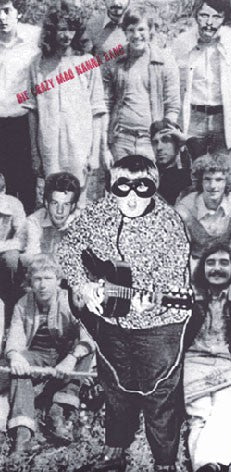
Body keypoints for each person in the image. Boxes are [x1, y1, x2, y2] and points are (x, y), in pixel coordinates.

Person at [56, 155, 192, 472]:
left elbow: (172, 284)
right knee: (114, 387)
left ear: (154, 187)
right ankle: (114, 455)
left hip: (158, 325)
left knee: (157, 395)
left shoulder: (170, 225)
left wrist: (149, 303)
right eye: (122, 187)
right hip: (109, 318)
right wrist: (84, 286)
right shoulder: (100, 211)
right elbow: (68, 248)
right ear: (111, 187)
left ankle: (164, 464)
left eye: (141, 188)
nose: (131, 198)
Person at [0, 254, 94, 453]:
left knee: (84, 350)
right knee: (19, 365)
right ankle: (23, 433)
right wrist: (15, 356)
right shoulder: (23, 303)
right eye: (37, 279)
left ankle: (58, 411)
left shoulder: (70, 300)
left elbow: (88, 336)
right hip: (38, 355)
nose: (42, 285)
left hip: (65, 354)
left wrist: (71, 359)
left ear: (58, 281)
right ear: (30, 282)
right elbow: (15, 336)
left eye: (48, 279)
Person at [25, 1, 107, 206]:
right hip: (50, 148)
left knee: (79, 203)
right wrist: (35, 155)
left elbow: (98, 111)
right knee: (54, 202)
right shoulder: (37, 65)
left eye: (71, 29)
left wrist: (94, 154)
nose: (67, 35)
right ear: (51, 30)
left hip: (80, 148)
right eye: (61, 29)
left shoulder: (88, 63)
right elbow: (33, 112)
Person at [184, 243, 231, 472]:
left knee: (228, 410)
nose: (217, 268)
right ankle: (220, 464)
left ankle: (206, 465)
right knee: (200, 412)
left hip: (226, 362)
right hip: (193, 360)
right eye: (211, 263)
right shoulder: (189, 294)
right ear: (202, 268)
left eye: (224, 263)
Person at [172, 0, 231, 154]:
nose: (209, 23)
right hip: (193, 118)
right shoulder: (182, 42)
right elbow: (173, 86)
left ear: (224, 18)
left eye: (216, 17)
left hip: (224, 118)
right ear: (196, 15)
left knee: (223, 165)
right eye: (204, 15)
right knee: (193, 165)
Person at [104, 6, 180, 163]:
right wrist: (105, 144)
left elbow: (172, 105)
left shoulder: (165, 60)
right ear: (125, 32)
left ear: (150, 30)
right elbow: (106, 103)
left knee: (149, 179)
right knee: (121, 178)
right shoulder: (115, 59)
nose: (136, 35)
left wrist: (163, 140)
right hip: (121, 138)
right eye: (131, 30)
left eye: (141, 29)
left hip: (151, 140)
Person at [176, 153, 231, 274]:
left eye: (219, 180)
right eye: (207, 179)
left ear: (227, 181)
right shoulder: (185, 208)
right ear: (200, 181)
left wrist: (223, 259)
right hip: (196, 261)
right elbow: (178, 247)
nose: (213, 186)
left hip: (227, 257)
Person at [0, 0, 40, 214]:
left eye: (6, 10)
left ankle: (28, 229)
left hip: (21, 123)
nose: (1, 17)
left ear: (19, 12)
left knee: (24, 183)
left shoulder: (34, 38)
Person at [22, 172, 81, 266]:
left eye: (66, 204)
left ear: (73, 206)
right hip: (45, 271)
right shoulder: (34, 221)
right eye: (55, 203)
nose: (60, 211)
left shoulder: (81, 221)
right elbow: (31, 259)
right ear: (46, 203)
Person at [0, 172, 26, 320]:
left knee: (12, 258)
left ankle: (11, 303)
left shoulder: (13, 204)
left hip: (4, 251)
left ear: (3, 191)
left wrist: (2, 246)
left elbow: (22, 238)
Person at [150, 119, 192, 205]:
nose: (158, 148)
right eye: (155, 142)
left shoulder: (186, 177)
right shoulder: (148, 173)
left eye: (165, 140)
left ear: (178, 144)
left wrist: (187, 140)